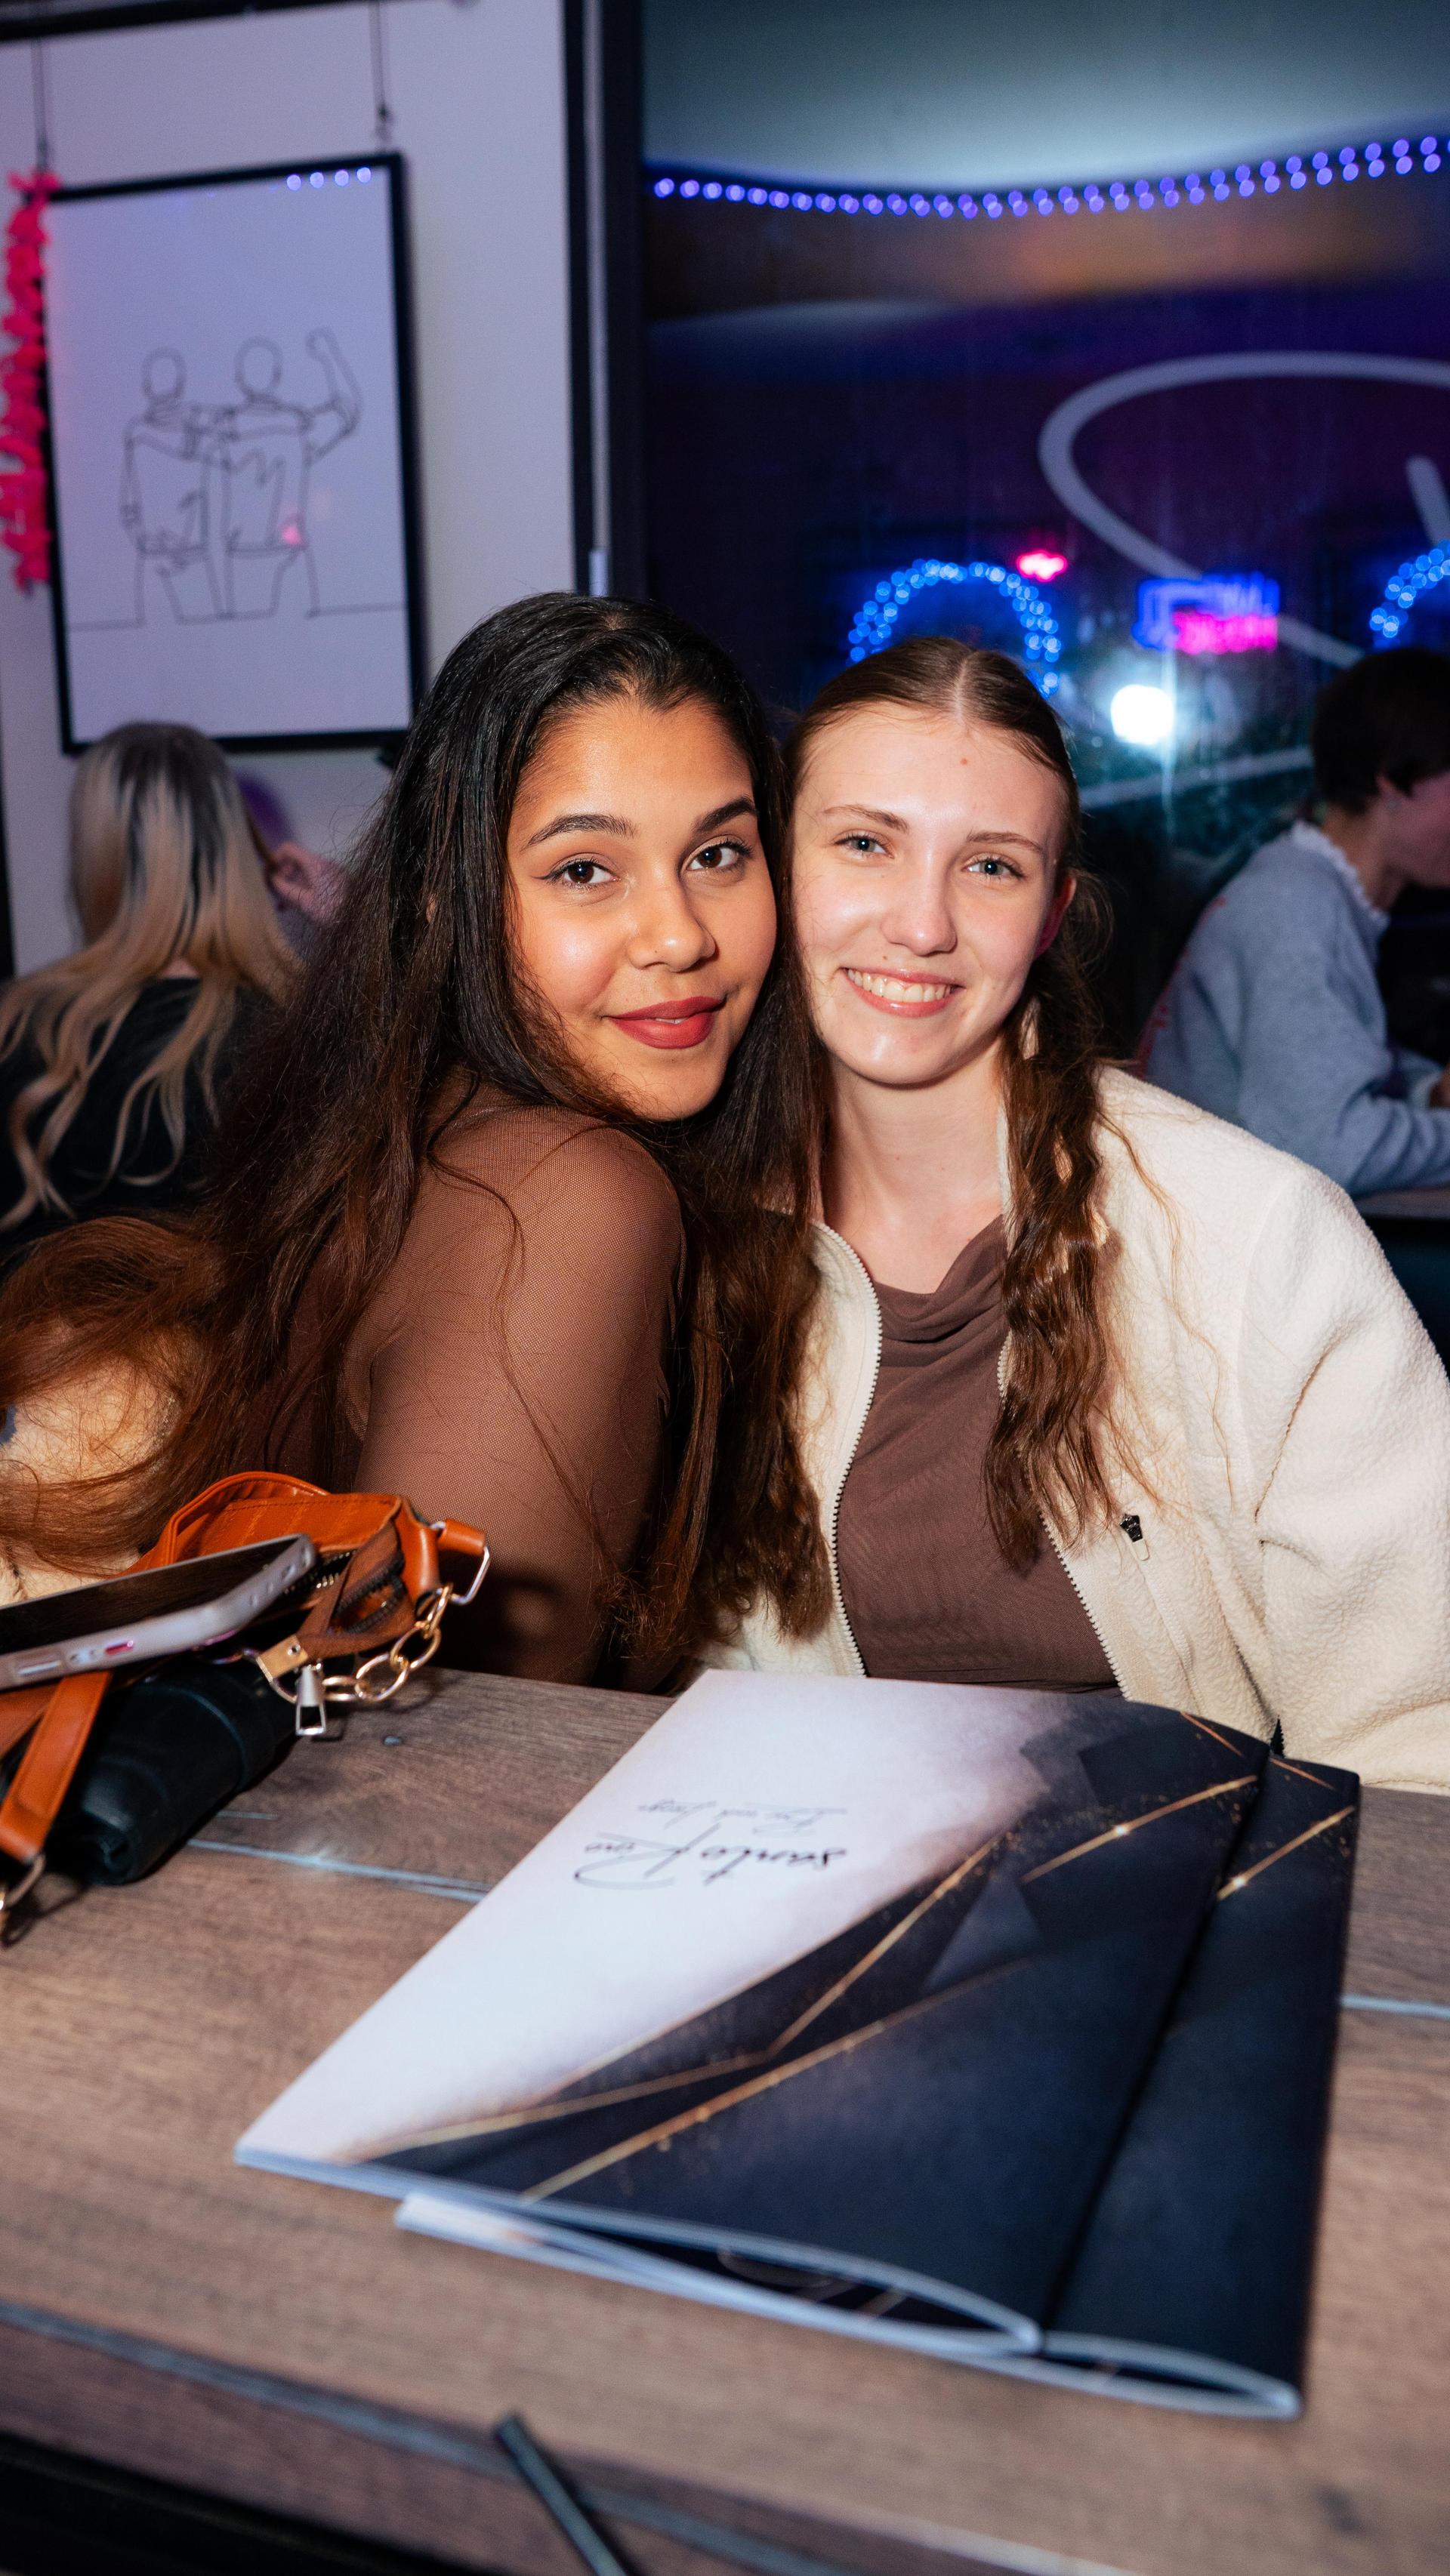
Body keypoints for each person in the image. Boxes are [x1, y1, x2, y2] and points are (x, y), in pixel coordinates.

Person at [0, 596, 822, 1685]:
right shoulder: (561, 1197)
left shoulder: (416, 1131)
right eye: (585, 870)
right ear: (448, 898)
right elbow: (439, 1773)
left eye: (719, 853)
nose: (681, 935)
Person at [701, 636, 1450, 1792]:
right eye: (864, 844)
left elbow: (1420, 1746)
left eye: (990, 867)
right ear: (773, 870)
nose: (921, 923)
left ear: (1052, 913)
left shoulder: (1257, 1241)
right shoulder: (688, 1235)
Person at [1142, 647, 1450, 1197]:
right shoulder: (1295, 909)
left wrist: (1429, 1094)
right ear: (1394, 783)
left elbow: (1338, 1064)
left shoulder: (1316, 891)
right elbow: (1331, 1148)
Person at [0, 723, 295, 1260]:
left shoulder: (18, 1024)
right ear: (234, 850)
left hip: (38, 1340)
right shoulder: (291, 1030)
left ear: (97, 854)